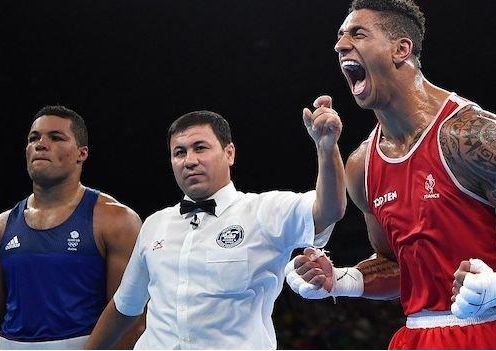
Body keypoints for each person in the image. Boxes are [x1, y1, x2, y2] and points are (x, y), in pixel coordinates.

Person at [285, 0, 496, 349]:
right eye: (339, 36)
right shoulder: (361, 164)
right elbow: (395, 267)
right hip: (415, 336)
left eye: (357, 34)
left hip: (493, 330)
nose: (340, 45)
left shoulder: (470, 134)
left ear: (401, 49)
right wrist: (339, 278)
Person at [84, 108, 347, 349]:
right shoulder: (154, 224)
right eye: (180, 152)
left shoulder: (263, 212)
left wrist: (326, 149)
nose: (190, 160)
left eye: (200, 148)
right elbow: (125, 306)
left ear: (229, 153)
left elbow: (328, 210)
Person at [0, 106, 145, 349]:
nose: (41, 144)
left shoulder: (115, 220)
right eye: (33, 138)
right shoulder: (1, 226)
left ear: (82, 153)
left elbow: (131, 319)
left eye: (55, 137)